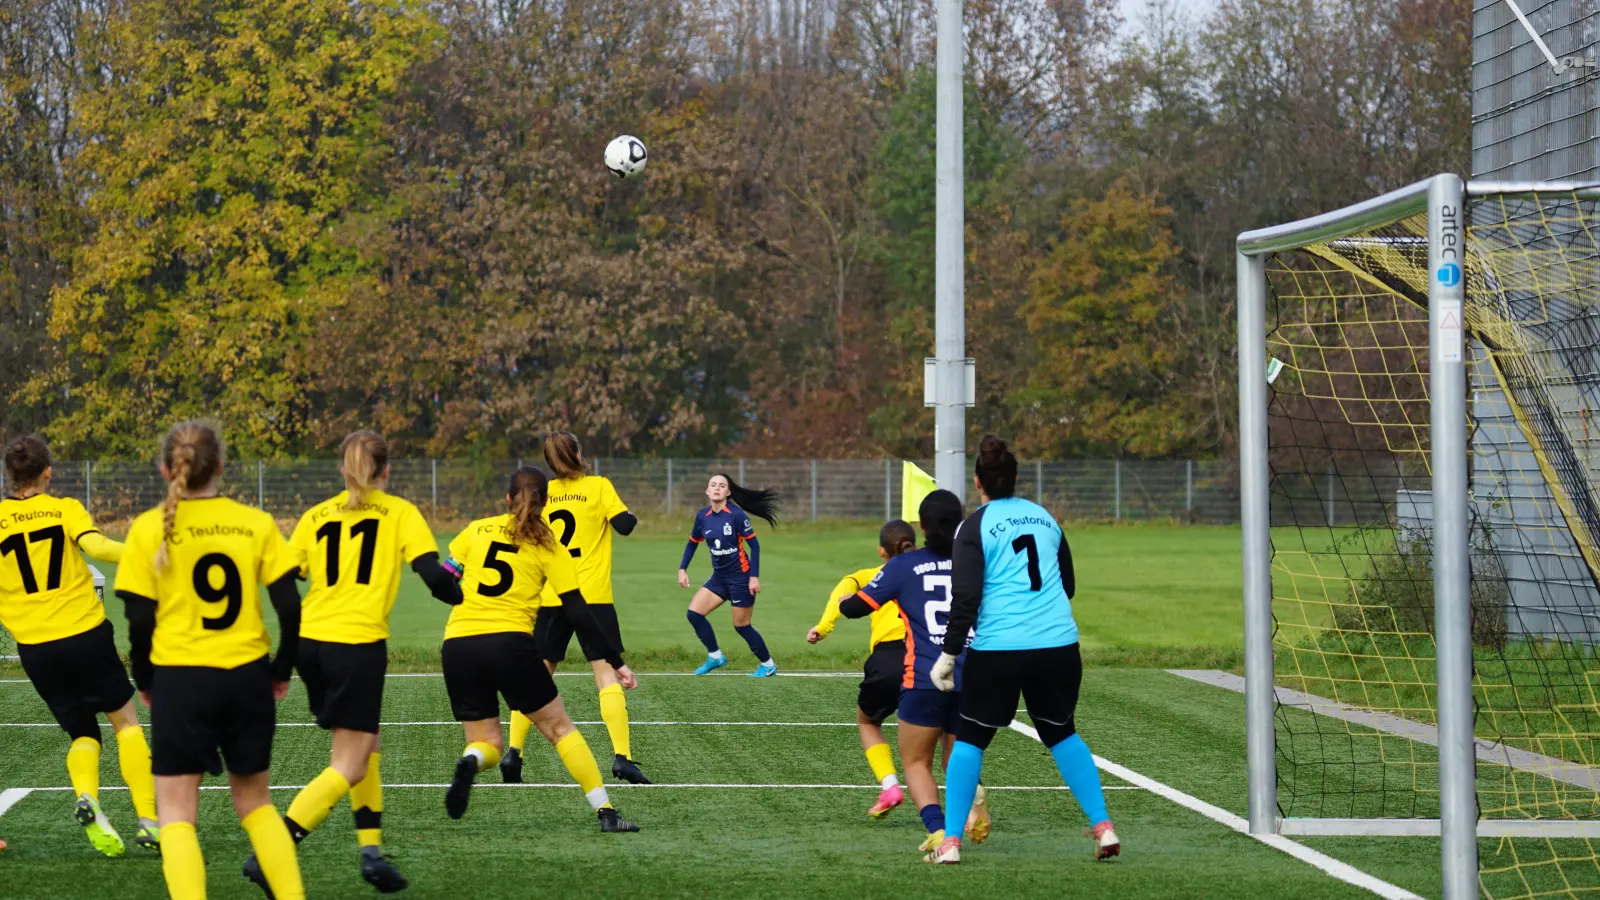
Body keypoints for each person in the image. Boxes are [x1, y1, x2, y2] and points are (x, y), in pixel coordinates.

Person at [242, 430, 462, 895]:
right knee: (349, 763)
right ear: (386, 471)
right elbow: (433, 578)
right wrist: (462, 591)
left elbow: (285, 572)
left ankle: (370, 852)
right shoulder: (401, 512)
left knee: (365, 745)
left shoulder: (316, 515)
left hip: (310, 645)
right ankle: (274, 849)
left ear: (344, 470)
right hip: (355, 646)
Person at [114, 421, 306, 900]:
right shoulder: (255, 523)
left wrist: (146, 679)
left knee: (176, 814)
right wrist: (280, 670)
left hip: (181, 681)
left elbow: (138, 620)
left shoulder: (147, 529)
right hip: (245, 678)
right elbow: (290, 607)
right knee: (256, 804)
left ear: (165, 469)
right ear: (221, 466)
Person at [927, 435, 1120, 865]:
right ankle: (1103, 827)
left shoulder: (973, 526)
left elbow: (966, 598)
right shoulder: (1046, 518)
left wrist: (948, 654)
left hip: (999, 650)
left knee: (971, 738)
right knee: (1061, 733)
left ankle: (952, 842)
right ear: (1015, 480)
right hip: (1059, 647)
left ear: (979, 483)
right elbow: (1067, 585)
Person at [439, 466, 641, 833]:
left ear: (506, 499)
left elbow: (443, 579)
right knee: (560, 729)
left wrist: (459, 596)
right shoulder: (548, 544)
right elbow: (579, 612)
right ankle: (606, 813)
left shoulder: (475, 530)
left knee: (487, 743)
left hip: (458, 645)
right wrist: (616, 660)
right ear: (544, 503)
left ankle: (471, 760)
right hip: (510, 644)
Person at [0, 435, 159, 857]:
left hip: (36, 648)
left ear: (9, 476)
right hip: (85, 633)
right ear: (48, 472)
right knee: (125, 724)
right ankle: (148, 819)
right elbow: (99, 547)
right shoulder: (65, 508)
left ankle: (87, 796)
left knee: (82, 734)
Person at [836, 491, 983, 854]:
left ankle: (939, 834)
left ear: (922, 527)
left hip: (925, 676)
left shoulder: (905, 566)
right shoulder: (977, 562)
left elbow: (856, 608)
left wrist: (844, 599)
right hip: (973, 674)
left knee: (917, 761)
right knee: (956, 759)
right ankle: (974, 804)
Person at [502, 432, 648, 786]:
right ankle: (622, 758)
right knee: (605, 673)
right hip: (592, 596)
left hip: (553, 595)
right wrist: (630, 514)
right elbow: (624, 526)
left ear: (551, 462)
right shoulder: (598, 486)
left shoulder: (545, 493)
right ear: (578, 454)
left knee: (538, 675)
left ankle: (513, 752)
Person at [806, 520, 914, 819]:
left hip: (888, 660)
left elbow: (845, 589)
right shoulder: (929, 569)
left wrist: (823, 627)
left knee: (868, 723)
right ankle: (969, 802)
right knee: (944, 732)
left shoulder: (872, 575)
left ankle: (890, 785)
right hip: (927, 657)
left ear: (881, 551)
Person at [678, 474, 779, 676]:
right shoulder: (702, 517)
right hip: (719, 577)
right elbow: (692, 543)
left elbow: (755, 547)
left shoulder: (736, 515)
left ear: (728, 492)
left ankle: (768, 665)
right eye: (713, 485)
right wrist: (682, 569)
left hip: (741, 577)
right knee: (694, 614)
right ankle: (715, 656)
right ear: (707, 491)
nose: (717, 488)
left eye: (722, 485)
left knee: (741, 626)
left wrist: (754, 577)